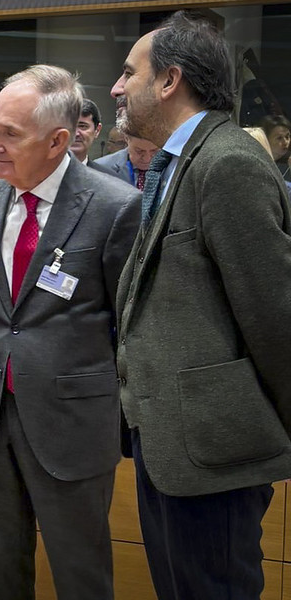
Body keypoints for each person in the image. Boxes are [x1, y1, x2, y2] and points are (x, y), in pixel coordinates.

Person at [112, 11, 291, 599]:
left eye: (128, 72)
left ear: (170, 80)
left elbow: (276, 318)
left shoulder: (228, 162)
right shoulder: (178, 162)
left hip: (215, 455)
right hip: (171, 446)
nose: (116, 87)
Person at [0, 65, 140, 600]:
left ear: (59, 141)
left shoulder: (114, 207)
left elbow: (125, 321)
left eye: (10, 134)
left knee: (80, 572)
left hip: (72, 421)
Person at [92, 134, 160, 189]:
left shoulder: (170, 167)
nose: (147, 159)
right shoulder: (100, 169)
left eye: (154, 151)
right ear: (126, 139)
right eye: (139, 151)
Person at [70, 98, 102, 164]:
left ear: (97, 130)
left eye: (82, 126)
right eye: (70, 126)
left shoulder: (105, 174)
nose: (76, 134)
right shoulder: (44, 172)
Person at [259, 114, 291, 180]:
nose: (285, 142)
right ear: (266, 138)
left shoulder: (288, 162)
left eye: (287, 137)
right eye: (279, 138)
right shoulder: (259, 162)